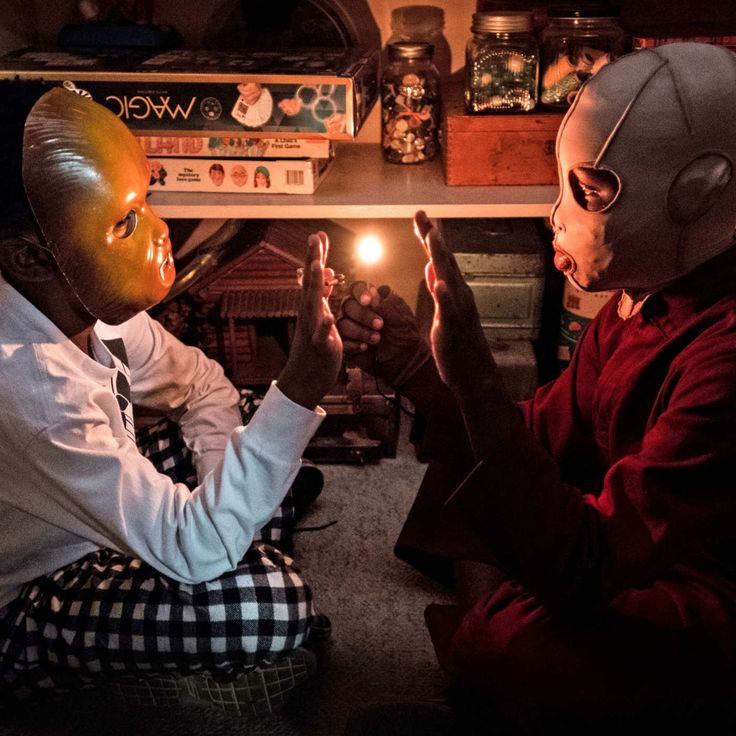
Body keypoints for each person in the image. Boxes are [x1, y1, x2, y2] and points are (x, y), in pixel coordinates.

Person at [338, 43, 736, 733]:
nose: (557, 215)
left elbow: (596, 559)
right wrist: (412, 365)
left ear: (698, 190)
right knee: (473, 455)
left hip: (709, 587)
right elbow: (541, 431)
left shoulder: (725, 353)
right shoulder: (645, 294)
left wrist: (480, 392)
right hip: (624, 528)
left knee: (510, 648)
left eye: (588, 190)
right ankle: (506, 627)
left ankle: (492, 674)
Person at [0, 80, 342, 710]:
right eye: (126, 222)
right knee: (276, 598)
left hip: (92, 510)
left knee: (250, 462)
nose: (160, 231)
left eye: (148, 198)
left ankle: (237, 530)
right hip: (27, 594)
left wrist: (220, 489)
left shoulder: (93, 305)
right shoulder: (34, 394)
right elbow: (195, 550)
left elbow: (205, 385)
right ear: (28, 260)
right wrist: (296, 390)